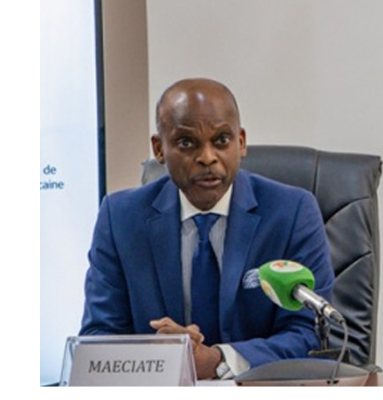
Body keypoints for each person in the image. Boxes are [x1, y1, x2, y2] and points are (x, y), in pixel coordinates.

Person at [80, 78, 335, 379]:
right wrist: (160, 356)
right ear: (159, 149)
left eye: (221, 140)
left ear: (241, 142)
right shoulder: (120, 217)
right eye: (186, 143)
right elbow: (98, 337)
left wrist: (217, 360)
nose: (207, 157)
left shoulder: (292, 213)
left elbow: (309, 333)